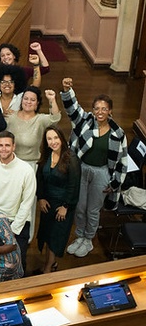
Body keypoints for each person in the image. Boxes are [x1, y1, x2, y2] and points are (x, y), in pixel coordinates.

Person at [61, 77, 127, 258]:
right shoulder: (85, 121)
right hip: (82, 169)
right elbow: (72, 108)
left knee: (92, 210)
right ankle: (79, 236)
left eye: (104, 109)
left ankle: (89, 240)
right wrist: (67, 90)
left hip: (101, 174)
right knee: (80, 207)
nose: (100, 112)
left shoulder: (118, 133)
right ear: (92, 110)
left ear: (110, 111)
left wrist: (114, 183)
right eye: (97, 108)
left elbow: (122, 160)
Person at [0, 131, 37, 273]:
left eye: (7, 145)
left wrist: (13, 229)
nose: (3, 149)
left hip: (18, 222)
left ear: (14, 147)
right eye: (0, 145)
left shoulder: (26, 170)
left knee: (18, 261)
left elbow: (27, 203)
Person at [37, 126, 80, 274]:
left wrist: (66, 206)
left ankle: (48, 268)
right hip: (48, 203)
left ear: (61, 139)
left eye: (56, 138)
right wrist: (41, 198)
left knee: (56, 237)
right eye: (49, 139)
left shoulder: (71, 158)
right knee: (48, 234)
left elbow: (74, 186)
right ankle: (51, 262)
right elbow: (40, 178)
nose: (53, 141)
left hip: (63, 204)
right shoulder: (46, 155)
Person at [6, 87, 62, 167]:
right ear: (21, 100)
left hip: (33, 164)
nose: (28, 102)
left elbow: (55, 118)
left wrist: (52, 100)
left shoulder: (40, 119)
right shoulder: (10, 117)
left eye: (32, 100)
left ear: (37, 103)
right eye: (25, 99)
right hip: (12, 163)